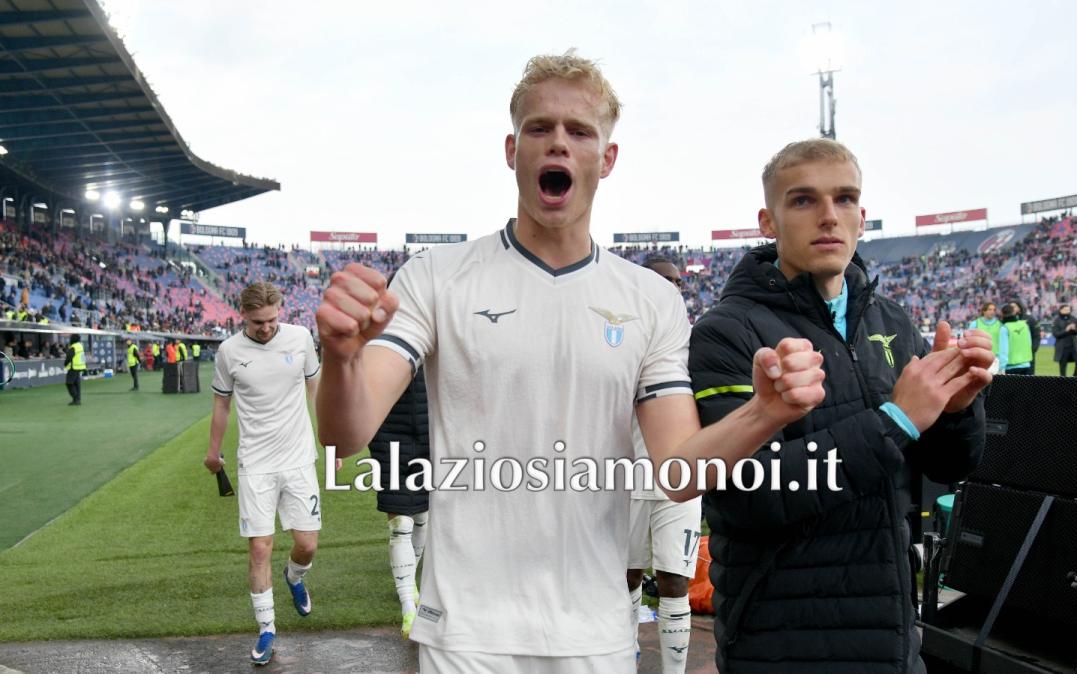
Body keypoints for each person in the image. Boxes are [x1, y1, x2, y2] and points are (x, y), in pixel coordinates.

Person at [315, 51, 825, 673]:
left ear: (605, 160)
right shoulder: (436, 278)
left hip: (595, 635)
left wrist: (764, 413)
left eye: (579, 131)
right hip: (467, 635)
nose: (558, 143)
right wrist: (341, 359)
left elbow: (678, 472)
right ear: (512, 150)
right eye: (539, 128)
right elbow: (345, 435)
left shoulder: (651, 300)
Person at [688, 138, 991, 673]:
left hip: (892, 638)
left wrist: (955, 410)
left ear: (862, 215)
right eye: (803, 200)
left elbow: (948, 466)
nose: (829, 216)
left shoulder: (892, 321)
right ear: (768, 221)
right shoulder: (727, 331)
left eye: (845, 198)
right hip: (782, 641)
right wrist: (895, 419)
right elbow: (745, 497)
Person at [204, 282, 324, 666]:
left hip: (299, 458)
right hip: (255, 463)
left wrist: (332, 439)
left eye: (272, 319)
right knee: (259, 547)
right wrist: (212, 451)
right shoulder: (228, 352)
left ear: (281, 311)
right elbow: (221, 405)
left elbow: (315, 390)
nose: (267, 328)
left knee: (307, 545)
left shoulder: (301, 338)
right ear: (243, 315)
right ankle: (267, 628)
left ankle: (294, 577)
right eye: (258, 322)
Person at [626, 257, 700, 674]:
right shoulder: (618, 335)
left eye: (677, 281)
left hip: (682, 479)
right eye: (663, 280)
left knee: (675, 581)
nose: (673, 287)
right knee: (628, 577)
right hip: (627, 474)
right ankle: (626, 657)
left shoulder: (696, 338)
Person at [366, 364, 430, 639]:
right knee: (400, 524)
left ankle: (410, 583)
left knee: (422, 518)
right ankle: (408, 607)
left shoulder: (436, 334)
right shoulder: (378, 342)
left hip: (431, 439)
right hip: (389, 439)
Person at [999, 302, 1034, 375]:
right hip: (1026, 364)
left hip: (1012, 367)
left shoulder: (1005, 328)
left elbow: (1003, 350)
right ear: (1014, 313)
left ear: (1002, 314)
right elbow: (1029, 343)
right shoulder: (1024, 325)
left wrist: (1001, 368)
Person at [1052, 304, 1077, 376]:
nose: (1068, 311)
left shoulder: (1074, 319)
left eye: (1069, 309)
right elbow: (1055, 334)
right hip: (1062, 347)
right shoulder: (1056, 321)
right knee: (1063, 366)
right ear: (1061, 310)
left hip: (1074, 346)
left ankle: (1075, 375)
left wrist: (1074, 329)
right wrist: (1066, 330)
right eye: (1066, 309)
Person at [64, 333, 85, 405]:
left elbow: (69, 357)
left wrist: (65, 363)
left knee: (69, 383)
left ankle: (76, 398)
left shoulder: (73, 347)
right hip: (79, 366)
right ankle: (77, 399)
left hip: (73, 367)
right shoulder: (80, 346)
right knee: (77, 384)